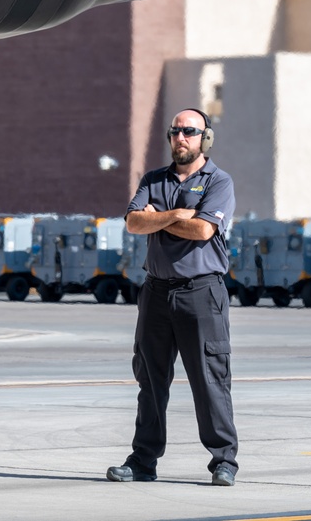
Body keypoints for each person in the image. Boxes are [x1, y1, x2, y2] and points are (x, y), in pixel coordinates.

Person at [107, 108, 238, 487]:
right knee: (150, 379)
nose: (181, 137)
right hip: (156, 292)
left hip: (201, 292)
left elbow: (201, 230)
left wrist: (159, 217)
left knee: (209, 380)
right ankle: (143, 460)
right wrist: (177, 213)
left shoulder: (219, 181)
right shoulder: (153, 179)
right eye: (175, 131)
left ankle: (223, 460)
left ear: (205, 139)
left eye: (190, 131)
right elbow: (133, 222)